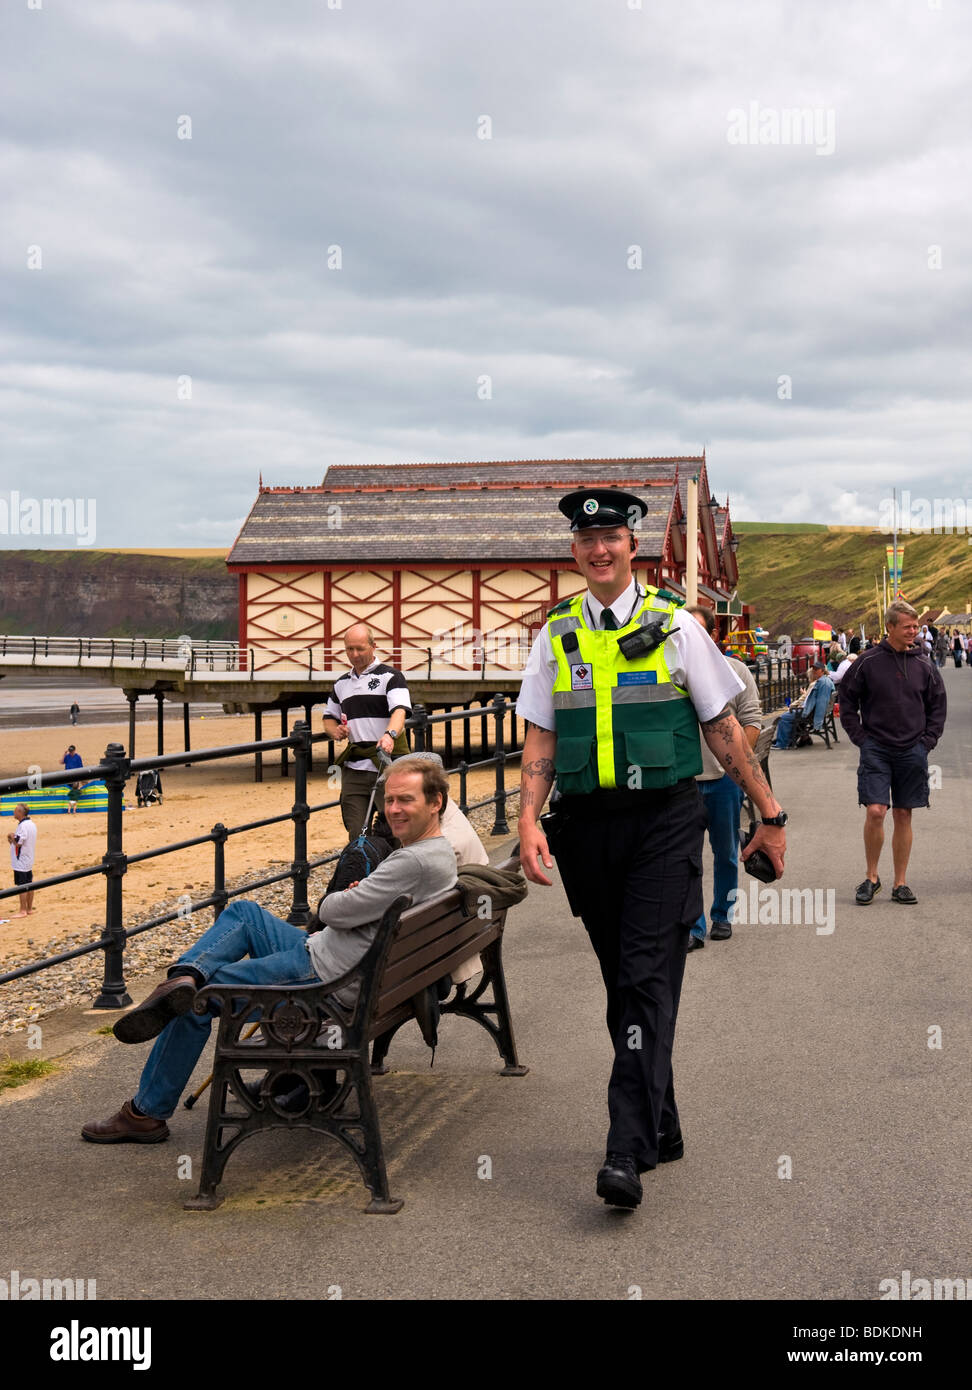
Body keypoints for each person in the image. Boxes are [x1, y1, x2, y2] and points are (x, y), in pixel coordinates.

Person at [516, 487, 786, 1210]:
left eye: (611, 538)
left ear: (632, 548)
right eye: (585, 540)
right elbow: (540, 733)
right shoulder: (557, 633)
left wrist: (769, 811)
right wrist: (529, 819)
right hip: (586, 827)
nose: (598, 550)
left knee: (641, 979)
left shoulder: (675, 627)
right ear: (575, 551)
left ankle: (624, 1150)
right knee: (625, 985)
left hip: (666, 820)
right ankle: (662, 1126)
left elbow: (723, 728)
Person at [81, 759, 457, 1143]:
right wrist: (361, 897)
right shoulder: (438, 854)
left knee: (197, 1000)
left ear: (435, 802)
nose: (393, 809)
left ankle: (146, 1112)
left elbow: (329, 909)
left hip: (327, 980)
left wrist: (351, 897)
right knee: (244, 914)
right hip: (343, 962)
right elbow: (357, 910)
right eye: (390, 799)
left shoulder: (412, 861)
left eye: (405, 800)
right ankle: (185, 974)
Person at [838, 600, 946, 906]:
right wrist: (859, 736)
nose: (914, 631)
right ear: (890, 628)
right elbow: (846, 699)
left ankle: (901, 883)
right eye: (907, 626)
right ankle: (871, 878)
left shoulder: (925, 663)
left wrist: (928, 741)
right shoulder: (867, 662)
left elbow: (938, 704)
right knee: (876, 811)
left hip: (913, 749)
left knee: (903, 813)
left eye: (915, 626)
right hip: (876, 748)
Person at [683, 606, 762, 951]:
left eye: (699, 632)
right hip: (683, 781)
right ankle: (693, 926)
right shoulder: (672, 673)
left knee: (726, 851)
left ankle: (723, 915)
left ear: (714, 635)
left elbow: (753, 720)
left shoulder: (737, 671)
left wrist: (737, 765)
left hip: (724, 781)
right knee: (687, 858)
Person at [321, 624, 412, 840]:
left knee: (395, 829)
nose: (354, 655)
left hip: (387, 764)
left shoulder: (391, 677)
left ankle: (395, 869)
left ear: (373, 646)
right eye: (349, 649)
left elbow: (400, 711)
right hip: (355, 768)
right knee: (356, 831)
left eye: (360, 649)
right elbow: (328, 718)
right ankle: (364, 869)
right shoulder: (341, 683)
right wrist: (336, 731)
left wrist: (389, 735)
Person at [772, 663, 835, 749]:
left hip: (809, 712)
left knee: (783, 718)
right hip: (810, 710)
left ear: (822, 670)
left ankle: (782, 744)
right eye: (813, 669)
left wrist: (816, 719)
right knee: (790, 715)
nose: (814, 671)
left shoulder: (821, 683)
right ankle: (789, 739)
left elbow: (821, 702)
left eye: (816, 669)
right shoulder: (826, 680)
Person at [7, 804, 37, 917]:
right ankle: (28, 909)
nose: (14, 813)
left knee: (22, 885)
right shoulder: (31, 824)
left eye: (15, 811)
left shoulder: (23, 826)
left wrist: (11, 836)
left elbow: (19, 843)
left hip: (21, 860)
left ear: (20, 812)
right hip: (28, 858)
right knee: (29, 883)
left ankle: (23, 910)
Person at [61, 745, 85, 813]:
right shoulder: (67, 756)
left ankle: (75, 808)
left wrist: (79, 776)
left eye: (72, 751)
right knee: (68, 790)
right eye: (70, 751)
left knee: (75, 790)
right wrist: (64, 754)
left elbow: (81, 767)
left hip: (75, 776)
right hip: (67, 776)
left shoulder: (78, 757)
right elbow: (61, 762)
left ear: (74, 750)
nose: (70, 752)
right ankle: (68, 807)